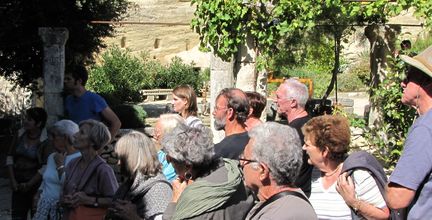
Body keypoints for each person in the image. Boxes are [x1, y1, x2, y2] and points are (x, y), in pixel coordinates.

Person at [302, 115, 389, 219]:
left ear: (325, 151)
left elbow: (384, 215)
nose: (303, 148)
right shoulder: (313, 174)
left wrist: (353, 202)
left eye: (307, 145)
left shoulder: (357, 175)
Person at [161, 124, 254, 220]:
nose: (167, 161)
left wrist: (175, 200)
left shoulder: (193, 200)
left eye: (170, 159)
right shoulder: (232, 169)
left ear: (188, 166)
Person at [386, 45, 432, 219]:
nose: (402, 83)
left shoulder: (426, 128)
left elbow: (398, 197)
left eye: (409, 77)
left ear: (427, 82)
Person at [242, 122, 317, 220]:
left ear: (263, 171)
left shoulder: (278, 215)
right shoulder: (292, 202)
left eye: (245, 160)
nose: (241, 163)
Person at [105, 131, 172, 220]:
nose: (118, 163)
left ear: (133, 159)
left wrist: (133, 217)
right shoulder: (128, 185)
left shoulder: (159, 189)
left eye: (122, 159)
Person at [61, 119, 118, 220]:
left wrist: (88, 200)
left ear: (93, 141)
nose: (75, 135)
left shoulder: (103, 170)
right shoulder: (72, 164)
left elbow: (114, 200)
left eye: (81, 132)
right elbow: (64, 192)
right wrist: (67, 199)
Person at [6, 107, 52, 220]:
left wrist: (29, 184)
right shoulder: (20, 134)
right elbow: (10, 157)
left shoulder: (45, 140)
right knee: (17, 216)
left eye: (30, 119)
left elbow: (45, 166)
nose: (26, 121)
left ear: (39, 123)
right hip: (18, 184)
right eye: (26, 118)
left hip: (36, 185)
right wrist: (12, 180)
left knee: (36, 215)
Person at [33, 120, 81, 220]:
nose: (51, 139)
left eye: (54, 136)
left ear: (65, 137)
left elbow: (70, 185)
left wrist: (60, 166)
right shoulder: (52, 156)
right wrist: (38, 194)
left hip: (61, 210)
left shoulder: (79, 158)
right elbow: (46, 178)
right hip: (44, 208)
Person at [275, 78, 313, 197]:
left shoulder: (289, 133)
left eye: (278, 97)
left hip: (291, 194)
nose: (276, 101)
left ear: (293, 102)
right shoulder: (313, 125)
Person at [64, 64, 121, 140]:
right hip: (75, 144)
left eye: (68, 79)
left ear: (79, 81)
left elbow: (116, 122)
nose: (65, 82)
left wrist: (104, 145)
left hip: (90, 145)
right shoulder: (68, 100)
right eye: (65, 79)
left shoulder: (94, 99)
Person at [213, 88, 250, 159]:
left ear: (230, 112)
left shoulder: (221, 151)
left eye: (217, 108)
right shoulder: (253, 141)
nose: (213, 113)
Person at [153, 114, 185, 182]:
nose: (154, 134)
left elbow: (163, 179)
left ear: (170, 132)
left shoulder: (179, 158)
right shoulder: (162, 153)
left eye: (157, 131)